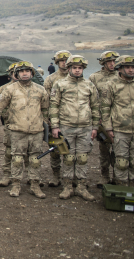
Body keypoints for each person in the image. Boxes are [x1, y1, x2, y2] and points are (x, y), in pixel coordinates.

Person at [49, 55, 99, 201]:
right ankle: (67, 186)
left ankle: (82, 187)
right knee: (69, 157)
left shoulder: (89, 85)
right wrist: (55, 126)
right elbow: (54, 106)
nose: (77, 71)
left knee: (82, 158)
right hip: (66, 125)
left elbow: (95, 107)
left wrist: (95, 126)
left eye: (80, 68)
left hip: (85, 127)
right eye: (75, 68)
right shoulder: (60, 84)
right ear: (69, 68)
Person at [0, 62, 49, 199]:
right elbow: (1, 107)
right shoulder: (9, 89)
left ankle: (35, 185)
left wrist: (41, 123)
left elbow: (45, 109)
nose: (24, 73)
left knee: (35, 159)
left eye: (27, 71)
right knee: (17, 159)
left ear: (32, 73)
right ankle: (16, 184)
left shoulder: (40, 90)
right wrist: (12, 119)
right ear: (16, 74)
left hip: (36, 131)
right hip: (17, 130)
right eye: (21, 71)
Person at [100, 56, 134, 187]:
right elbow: (105, 108)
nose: (131, 70)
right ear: (120, 68)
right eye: (128, 67)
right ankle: (121, 188)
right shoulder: (111, 85)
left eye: (133, 67)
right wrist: (108, 128)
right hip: (119, 130)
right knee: (121, 162)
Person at [89, 50, 120, 187]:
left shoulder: (121, 76)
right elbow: (91, 100)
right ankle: (104, 176)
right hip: (102, 120)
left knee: (120, 151)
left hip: (120, 119)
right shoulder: (94, 78)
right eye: (109, 62)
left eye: (114, 61)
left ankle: (118, 177)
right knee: (104, 150)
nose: (112, 64)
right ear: (103, 63)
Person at [44, 50, 72, 188]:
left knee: (71, 152)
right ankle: (56, 176)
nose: (65, 63)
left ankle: (71, 177)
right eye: (62, 61)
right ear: (57, 62)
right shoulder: (50, 79)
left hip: (72, 120)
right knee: (55, 151)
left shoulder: (77, 78)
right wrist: (48, 120)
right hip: (54, 120)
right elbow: (46, 101)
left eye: (67, 60)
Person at [0, 63, 20, 187]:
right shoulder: (4, 89)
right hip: (11, 125)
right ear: (10, 74)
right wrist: (7, 115)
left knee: (29, 153)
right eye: (14, 72)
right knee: (9, 151)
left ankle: (31, 177)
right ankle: (7, 175)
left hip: (29, 125)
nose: (17, 74)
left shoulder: (33, 88)